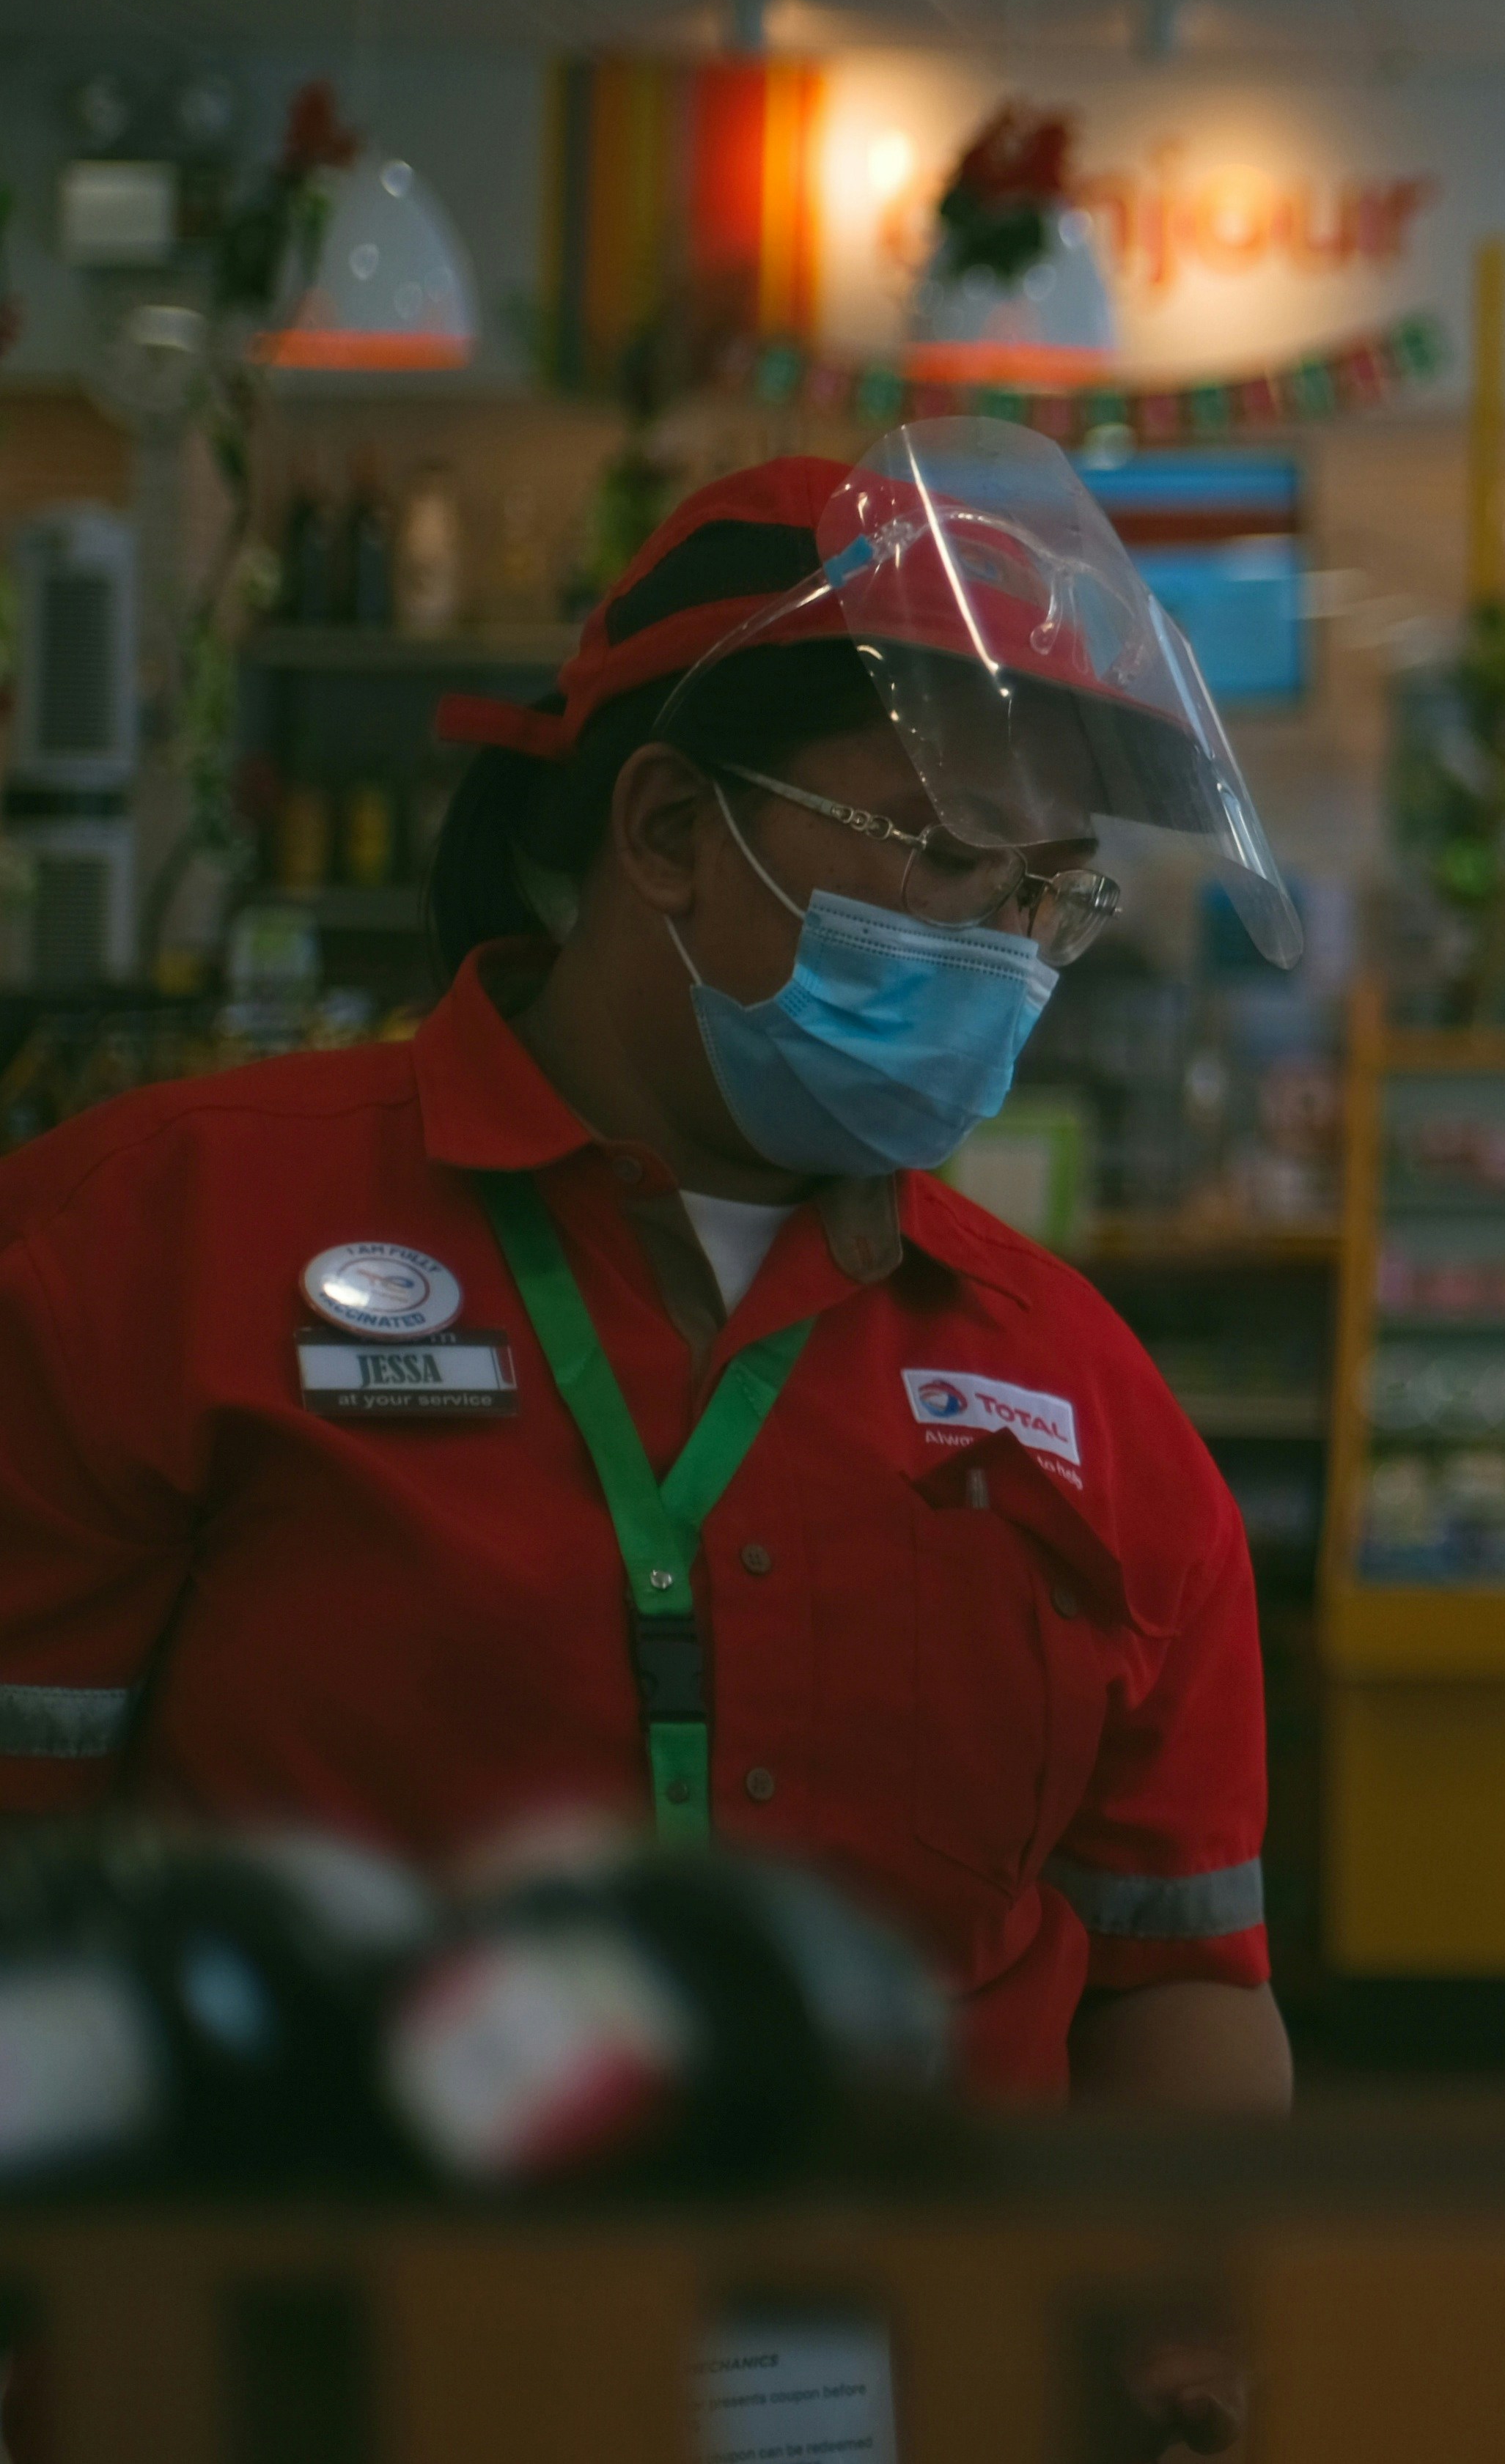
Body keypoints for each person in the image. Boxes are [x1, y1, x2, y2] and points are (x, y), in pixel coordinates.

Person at [0, 429, 1292, 2433]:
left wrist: (1170, 2369)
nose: (999, 948)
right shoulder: (149, 1250)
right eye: (945, 849)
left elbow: (1179, 1989)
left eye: (1049, 889)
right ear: (670, 830)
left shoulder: (1088, 1404)